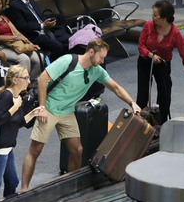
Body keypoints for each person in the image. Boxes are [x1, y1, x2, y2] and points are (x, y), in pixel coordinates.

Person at [20, 39, 140, 190]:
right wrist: (42, 107)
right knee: (36, 149)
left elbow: (115, 87)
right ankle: (23, 188)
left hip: (67, 110)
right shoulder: (68, 61)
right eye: (101, 57)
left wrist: (132, 102)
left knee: (77, 150)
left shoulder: (96, 70)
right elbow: (42, 79)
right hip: (50, 108)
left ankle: (71, 186)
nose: (103, 60)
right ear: (91, 52)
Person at [0, 65, 42, 202]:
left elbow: (18, 123)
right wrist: (15, 106)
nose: (28, 81)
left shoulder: (16, 97)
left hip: (7, 149)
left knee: (12, 181)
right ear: (15, 80)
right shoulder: (6, 95)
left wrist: (33, 113)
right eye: (25, 78)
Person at [136, 0, 184, 123]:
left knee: (165, 94)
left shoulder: (174, 33)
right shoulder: (148, 26)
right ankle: (140, 122)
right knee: (143, 93)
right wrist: (150, 55)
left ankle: (162, 123)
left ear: (164, 18)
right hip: (146, 62)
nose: (152, 17)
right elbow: (141, 46)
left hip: (163, 64)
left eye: (155, 15)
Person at [0, 0, 44, 80]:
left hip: (14, 45)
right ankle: (19, 86)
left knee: (38, 57)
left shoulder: (4, 18)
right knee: (24, 59)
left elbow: (17, 33)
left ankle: (31, 83)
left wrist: (30, 44)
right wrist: (15, 38)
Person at [6, 0, 71, 61]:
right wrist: (42, 25)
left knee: (69, 40)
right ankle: (50, 67)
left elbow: (40, 17)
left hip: (46, 30)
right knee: (58, 46)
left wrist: (48, 23)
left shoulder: (31, 1)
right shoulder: (15, 6)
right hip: (34, 36)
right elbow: (22, 26)